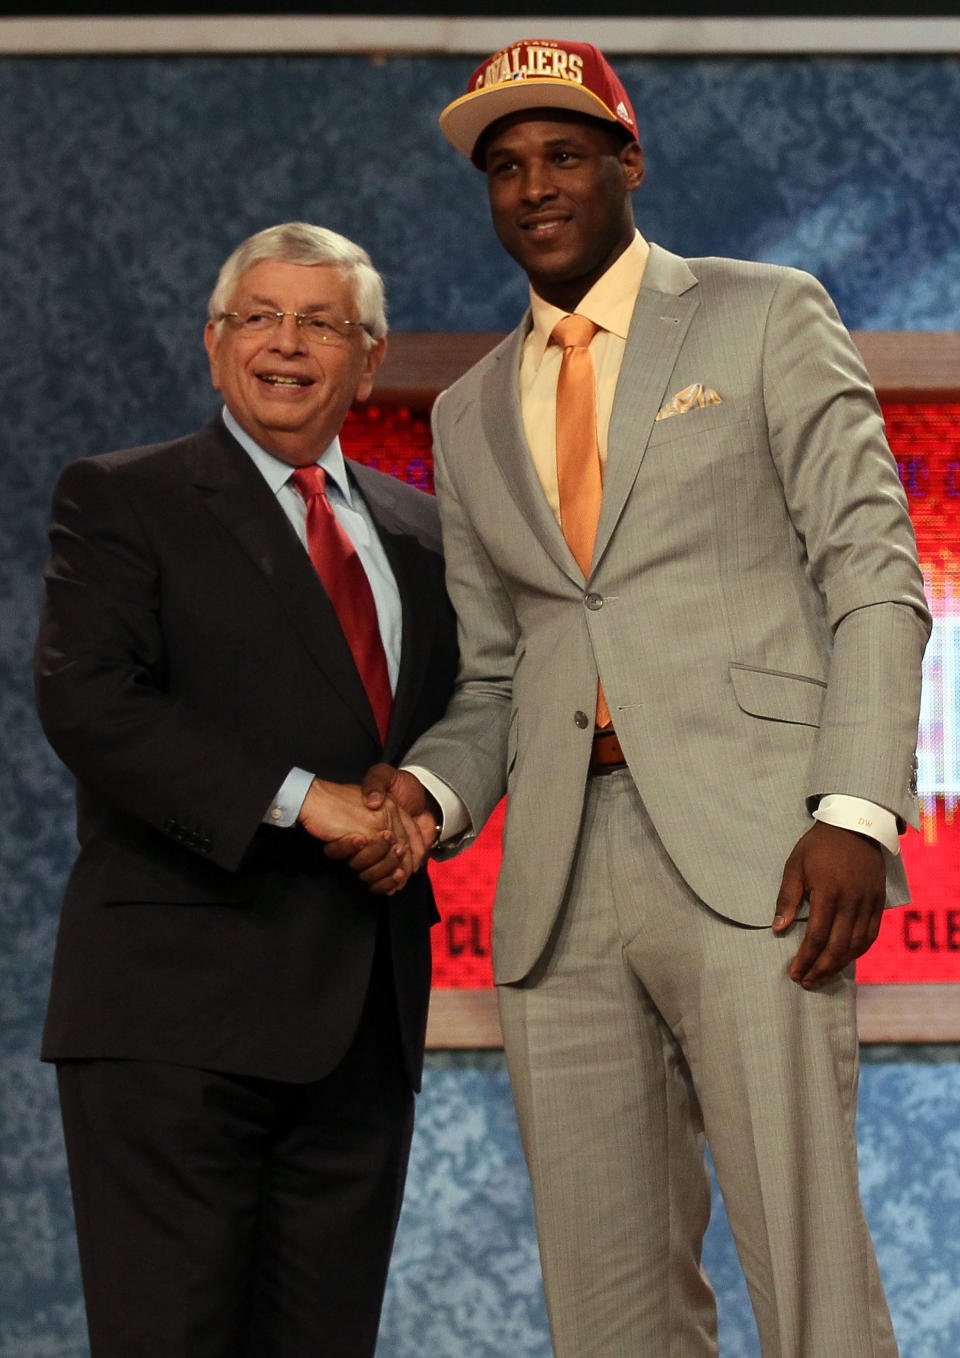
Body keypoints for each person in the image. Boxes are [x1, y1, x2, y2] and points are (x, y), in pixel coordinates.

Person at [354, 39, 931, 1358]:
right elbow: (498, 674)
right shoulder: (467, 410)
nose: (535, 186)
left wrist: (855, 807)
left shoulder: (762, 310)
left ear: (629, 160)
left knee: (810, 1278)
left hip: (763, 854)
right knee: (605, 1305)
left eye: (562, 154)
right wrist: (430, 789)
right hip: (561, 886)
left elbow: (874, 574)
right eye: (506, 168)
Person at [34, 221, 458, 1358]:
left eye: (321, 322)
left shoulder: (423, 533)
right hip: (174, 1023)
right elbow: (91, 703)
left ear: (369, 358)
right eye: (260, 317)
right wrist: (301, 798)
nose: (287, 343)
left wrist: (422, 800)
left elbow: (472, 713)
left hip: (364, 1025)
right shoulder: (125, 497)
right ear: (214, 344)